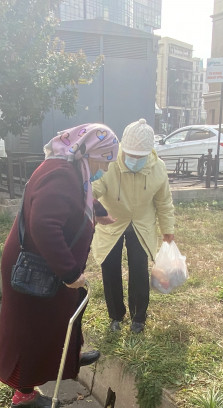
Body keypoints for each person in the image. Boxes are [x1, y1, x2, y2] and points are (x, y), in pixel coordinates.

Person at [0, 123, 120, 408]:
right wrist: (69, 272)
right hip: (36, 265)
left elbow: (76, 197)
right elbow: (44, 225)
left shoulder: (69, 167)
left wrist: (98, 211)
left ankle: (68, 358)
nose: (105, 168)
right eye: (104, 160)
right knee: (31, 329)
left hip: (43, 262)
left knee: (58, 316)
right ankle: (24, 394)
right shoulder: (62, 174)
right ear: (89, 153)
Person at [91, 118, 175, 334]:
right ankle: (115, 315)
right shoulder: (109, 163)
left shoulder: (157, 169)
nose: (135, 160)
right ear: (123, 149)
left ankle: (139, 317)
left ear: (149, 153)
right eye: (131, 155)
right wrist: (87, 200)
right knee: (110, 266)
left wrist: (168, 232)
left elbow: (164, 203)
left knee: (139, 268)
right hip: (112, 221)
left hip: (141, 224)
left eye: (140, 156)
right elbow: (95, 187)